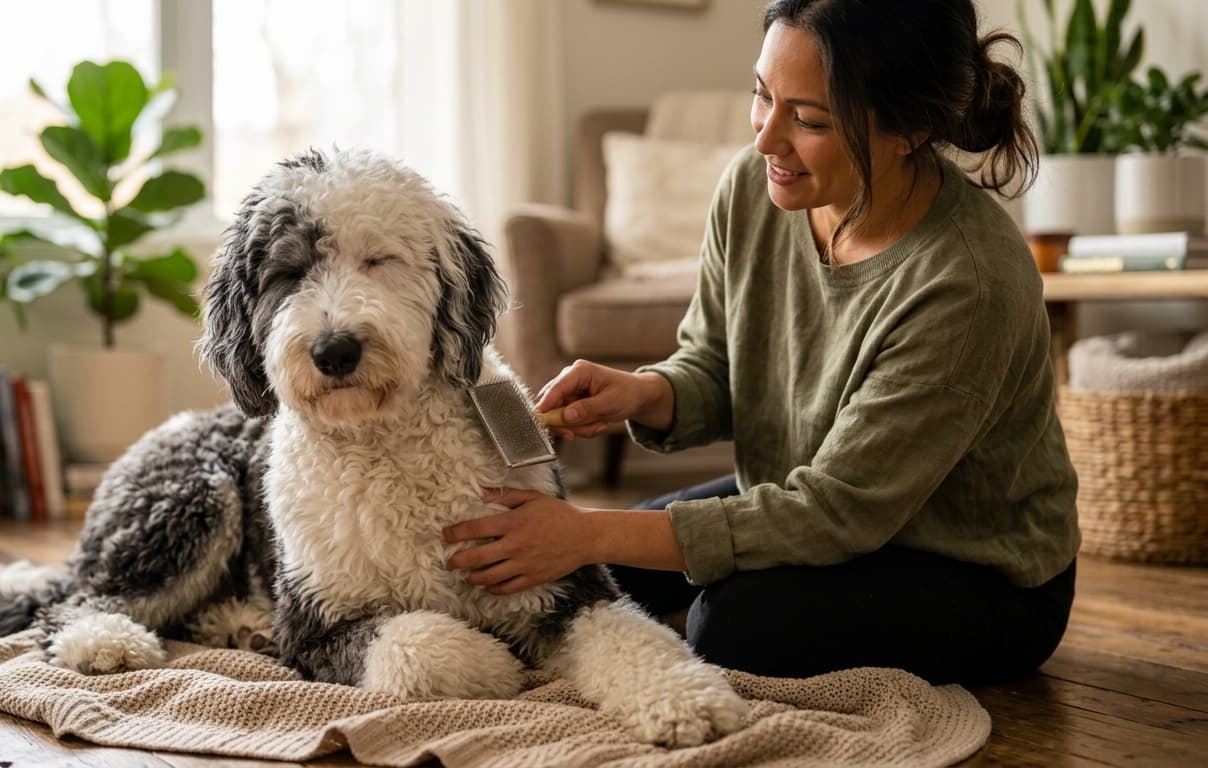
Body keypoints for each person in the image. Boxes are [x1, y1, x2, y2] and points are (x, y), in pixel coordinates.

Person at [443, 0, 1080, 686]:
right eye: (761, 94)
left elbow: (834, 512)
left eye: (807, 119)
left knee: (731, 622)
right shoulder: (756, 187)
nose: (766, 138)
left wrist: (587, 528)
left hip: (975, 571)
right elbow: (715, 362)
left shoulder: (967, 283)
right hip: (809, 495)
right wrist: (642, 394)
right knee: (600, 569)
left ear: (910, 128)